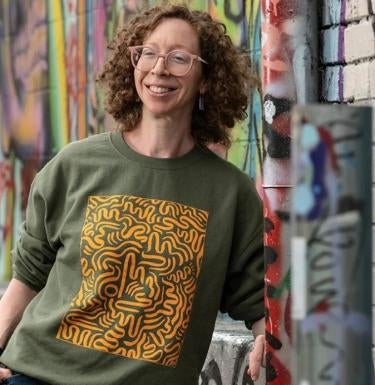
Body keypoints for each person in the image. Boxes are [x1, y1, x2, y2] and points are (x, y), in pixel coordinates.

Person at [0, 4, 265, 385]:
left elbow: (257, 297)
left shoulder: (230, 193)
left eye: (179, 58)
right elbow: (28, 275)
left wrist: (264, 339)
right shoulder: (77, 164)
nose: (159, 69)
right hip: (38, 375)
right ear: (134, 64)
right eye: (149, 53)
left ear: (206, 79)